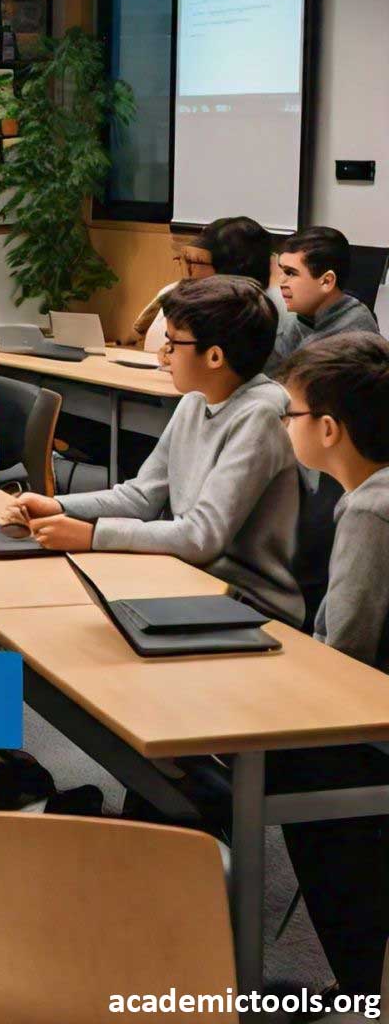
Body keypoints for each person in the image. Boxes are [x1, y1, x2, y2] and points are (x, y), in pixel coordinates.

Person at [4, 276, 303, 625]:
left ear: (215, 356)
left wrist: (93, 535)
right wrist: (59, 506)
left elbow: (200, 537)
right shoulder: (195, 400)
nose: (164, 354)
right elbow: (142, 497)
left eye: (174, 343)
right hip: (187, 576)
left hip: (246, 599)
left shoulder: (260, 416)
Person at [269, 332, 389, 995]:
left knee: (278, 761)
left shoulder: (372, 508)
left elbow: (344, 657)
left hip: (371, 733)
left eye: (289, 414)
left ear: (329, 428)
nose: (284, 425)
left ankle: (362, 979)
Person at [135, 216, 295, 366]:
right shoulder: (227, 301)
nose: (190, 272)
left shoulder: (267, 311)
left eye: (195, 262)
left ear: (230, 269)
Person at [273, 225, 381, 364]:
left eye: (291, 273)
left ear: (326, 281)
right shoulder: (301, 315)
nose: (281, 281)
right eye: (281, 271)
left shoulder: (353, 344)